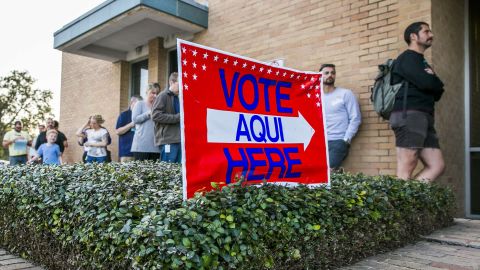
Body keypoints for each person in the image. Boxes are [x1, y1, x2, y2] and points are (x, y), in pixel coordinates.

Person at [390, 22, 445, 182]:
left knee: (437, 165)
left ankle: (410, 200)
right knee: (407, 165)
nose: (431, 35)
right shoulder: (407, 58)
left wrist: (434, 82)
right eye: (426, 31)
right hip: (409, 115)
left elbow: (439, 91)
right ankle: (399, 206)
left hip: (424, 116)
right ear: (413, 36)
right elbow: (429, 84)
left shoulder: (422, 62)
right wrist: (433, 80)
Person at [320, 64, 361, 170]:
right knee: (317, 174)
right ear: (320, 76)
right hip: (320, 142)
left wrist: (346, 139)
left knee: (329, 172)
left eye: (333, 73)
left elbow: (355, 118)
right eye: (326, 73)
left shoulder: (345, 94)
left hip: (338, 141)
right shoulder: (317, 96)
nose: (330, 75)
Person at [152, 72, 182, 163]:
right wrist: (177, 117)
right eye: (179, 83)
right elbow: (155, 115)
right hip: (168, 140)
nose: (182, 87)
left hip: (179, 140)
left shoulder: (179, 98)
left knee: (176, 172)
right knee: (168, 171)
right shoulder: (163, 95)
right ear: (171, 82)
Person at [131, 85, 160, 160]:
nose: (155, 95)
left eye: (156, 93)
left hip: (155, 147)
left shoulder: (157, 106)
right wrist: (148, 113)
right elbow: (134, 120)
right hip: (141, 146)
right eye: (152, 93)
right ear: (147, 92)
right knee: (140, 171)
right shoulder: (140, 104)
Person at [115, 95, 142, 162]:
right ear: (131, 103)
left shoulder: (142, 115)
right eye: (139, 104)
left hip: (141, 152)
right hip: (127, 153)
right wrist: (131, 124)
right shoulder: (124, 115)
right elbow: (118, 131)